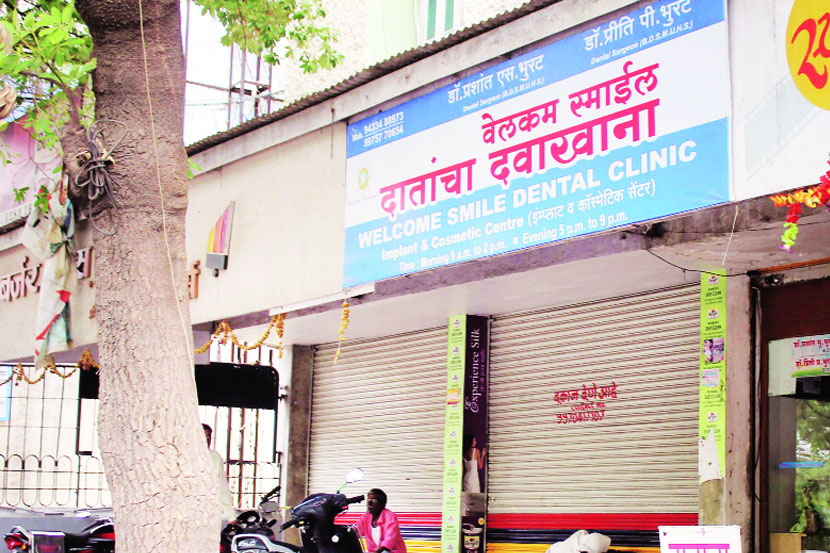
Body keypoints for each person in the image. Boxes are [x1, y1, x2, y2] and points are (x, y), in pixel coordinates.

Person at [203, 423, 237, 524]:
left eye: (208, 436)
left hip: (209, 513)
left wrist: (230, 515)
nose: (206, 440)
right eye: (203, 436)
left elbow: (222, 488)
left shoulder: (215, 458)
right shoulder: (184, 458)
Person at [355, 488, 407, 553]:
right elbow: (355, 531)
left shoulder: (389, 516)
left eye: (374, 500)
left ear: (382, 503)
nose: (369, 503)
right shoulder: (366, 517)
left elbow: (390, 539)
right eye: (368, 499)